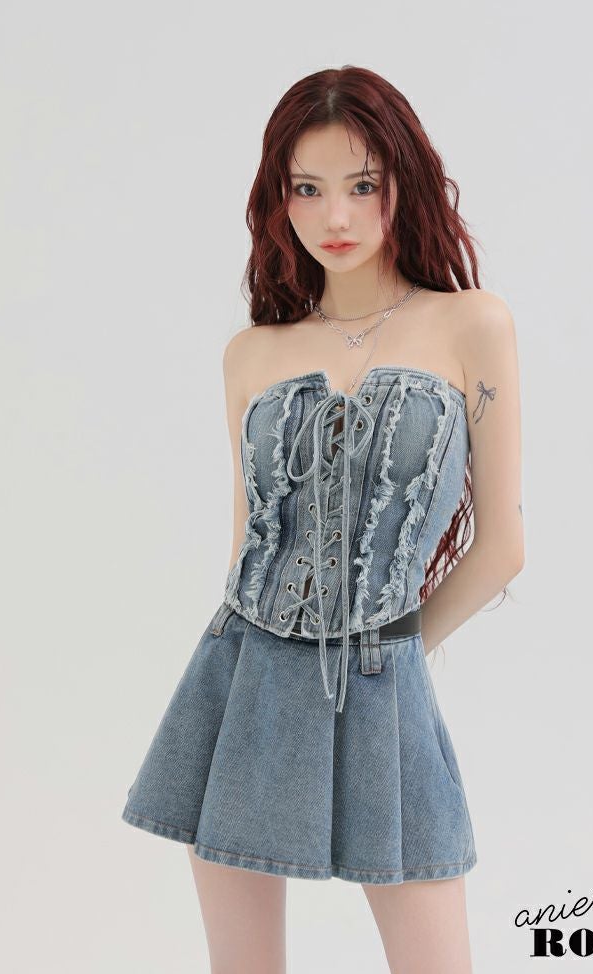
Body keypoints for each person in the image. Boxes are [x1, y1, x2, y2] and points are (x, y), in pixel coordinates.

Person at [122, 65, 524, 974]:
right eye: (307, 188)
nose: (334, 216)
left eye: (362, 185)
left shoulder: (473, 325)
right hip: (241, 681)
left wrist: (391, 653)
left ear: (404, 183)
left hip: (384, 681)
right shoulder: (252, 353)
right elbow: (246, 544)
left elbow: (504, 546)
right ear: (279, 198)